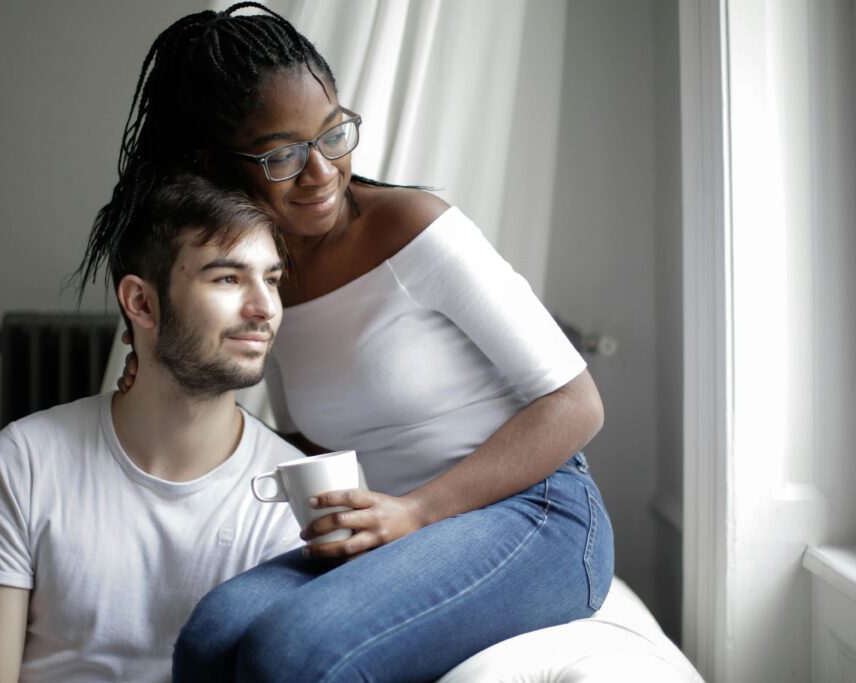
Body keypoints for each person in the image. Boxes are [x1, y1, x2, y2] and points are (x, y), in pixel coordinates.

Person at [101, 4, 616, 681]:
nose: (320, 171)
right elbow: (314, 438)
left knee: (289, 652)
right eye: (282, 153)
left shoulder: (417, 231)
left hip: (539, 512)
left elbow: (578, 405)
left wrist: (417, 510)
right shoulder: (263, 274)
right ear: (218, 165)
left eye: (333, 132)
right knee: (211, 637)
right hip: (394, 527)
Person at [0, 173, 306, 683]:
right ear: (141, 303)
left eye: (270, 279)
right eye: (227, 278)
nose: (264, 308)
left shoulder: (292, 490)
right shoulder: (26, 460)